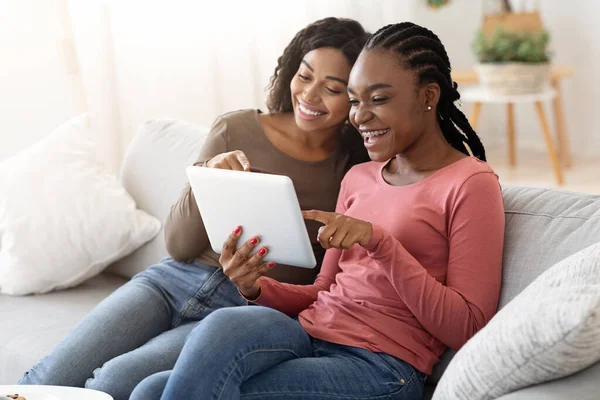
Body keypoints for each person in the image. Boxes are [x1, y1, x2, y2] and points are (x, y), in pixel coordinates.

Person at [130, 22, 506, 400]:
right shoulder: (359, 177)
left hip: (380, 366)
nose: (360, 116)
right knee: (161, 379)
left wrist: (382, 244)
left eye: (379, 99)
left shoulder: (470, 183)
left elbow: (469, 326)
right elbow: (323, 291)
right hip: (310, 334)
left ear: (428, 95)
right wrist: (254, 287)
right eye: (356, 101)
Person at [19, 17, 370, 400]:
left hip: (243, 311)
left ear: (355, 97)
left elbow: (326, 278)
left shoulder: (354, 169)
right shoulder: (235, 129)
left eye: (332, 88)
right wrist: (206, 174)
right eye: (305, 76)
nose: (310, 95)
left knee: (114, 382)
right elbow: (179, 244)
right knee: (52, 374)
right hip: (173, 279)